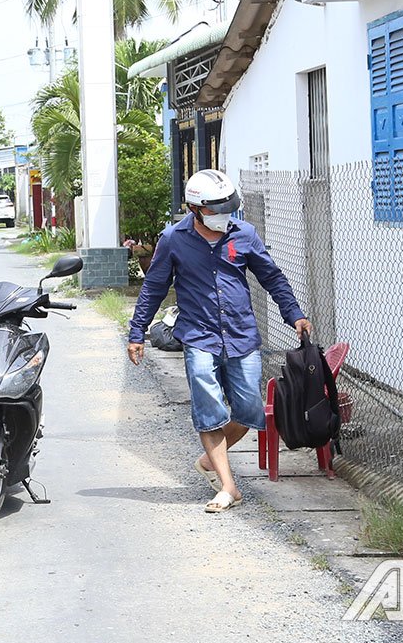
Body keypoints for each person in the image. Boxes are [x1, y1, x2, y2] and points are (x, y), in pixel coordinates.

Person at [126, 169, 312, 512]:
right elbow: (153, 288)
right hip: (198, 336)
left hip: (241, 334)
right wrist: (137, 333)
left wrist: (294, 314)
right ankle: (229, 486)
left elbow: (272, 277)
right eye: (216, 209)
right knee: (209, 408)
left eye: (229, 207)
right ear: (196, 209)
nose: (225, 216)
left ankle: (210, 460)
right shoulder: (173, 240)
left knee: (249, 410)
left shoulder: (245, 234)